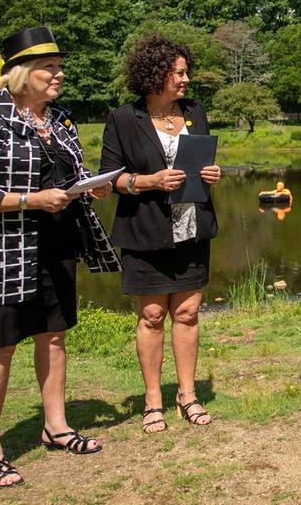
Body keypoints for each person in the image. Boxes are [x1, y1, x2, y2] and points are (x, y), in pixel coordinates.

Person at [0, 26, 120, 488]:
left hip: (56, 245)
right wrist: (32, 201)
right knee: (0, 346)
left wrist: (89, 185)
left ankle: (55, 426)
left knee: (53, 337)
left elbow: (69, 171)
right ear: (21, 73)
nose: (58, 75)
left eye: (59, 67)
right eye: (48, 68)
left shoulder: (61, 120)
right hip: (1, 251)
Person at [99, 34, 221, 433]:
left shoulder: (194, 112)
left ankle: (187, 395)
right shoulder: (122, 118)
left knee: (187, 313)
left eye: (186, 72)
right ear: (155, 74)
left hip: (191, 226)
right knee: (152, 315)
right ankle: (153, 400)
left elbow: (202, 163)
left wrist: (212, 175)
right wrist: (147, 181)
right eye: (179, 73)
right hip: (145, 228)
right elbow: (111, 179)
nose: (186, 80)